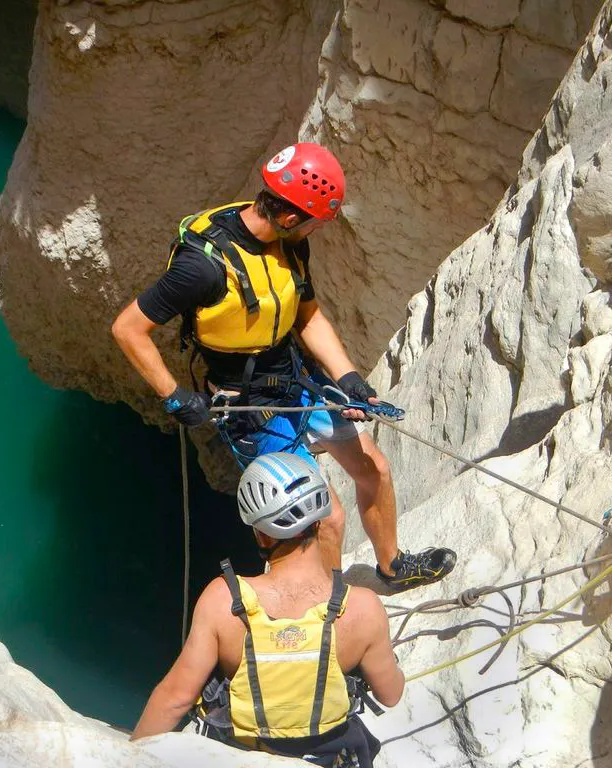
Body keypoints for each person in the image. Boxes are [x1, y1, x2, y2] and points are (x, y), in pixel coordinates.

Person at [112, 142, 454, 589]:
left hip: (295, 381)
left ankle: (391, 567)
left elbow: (307, 316)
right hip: (248, 407)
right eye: (312, 222)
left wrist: (347, 377)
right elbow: (127, 328)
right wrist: (174, 396)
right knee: (324, 516)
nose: (313, 230)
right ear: (290, 216)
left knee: (375, 469)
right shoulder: (203, 267)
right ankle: (330, 612)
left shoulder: (288, 245)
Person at [131, 453, 404, 766]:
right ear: (319, 521)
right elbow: (391, 694)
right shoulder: (362, 608)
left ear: (260, 532)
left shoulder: (224, 601)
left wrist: (126, 759)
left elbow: (175, 699)